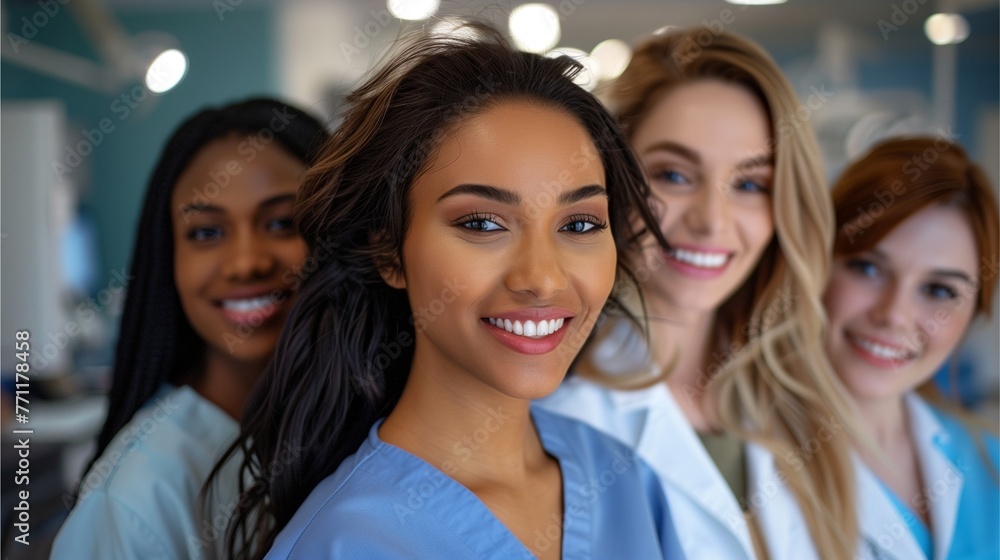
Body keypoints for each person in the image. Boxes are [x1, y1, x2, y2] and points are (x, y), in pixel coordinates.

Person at [216, 24, 684, 560]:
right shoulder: (343, 543)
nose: (543, 278)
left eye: (579, 225)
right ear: (390, 252)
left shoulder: (625, 482)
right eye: (484, 223)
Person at [537, 27, 861, 559]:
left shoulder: (804, 403)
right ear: (611, 179)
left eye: (751, 184)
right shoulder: (559, 414)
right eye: (673, 175)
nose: (712, 222)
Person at [50, 98, 329, 560]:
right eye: (206, 233)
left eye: (283, 223)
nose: (246, 263)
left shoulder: (355, 427)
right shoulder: (134, 502)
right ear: (169, 258)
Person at [823, 137, 999, 559]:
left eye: (938, 290)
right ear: (814, 264)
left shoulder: (987, 459)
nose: (894, 314)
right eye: (867, 267)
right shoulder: (750, 461)